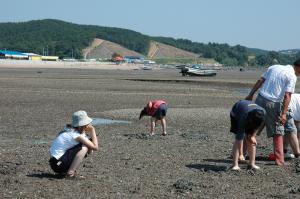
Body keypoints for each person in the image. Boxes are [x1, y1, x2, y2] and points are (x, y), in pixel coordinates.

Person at [245, 58, 300, 165]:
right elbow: (287, 95)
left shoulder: (274, 67)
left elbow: (260, 80)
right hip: (273, 103)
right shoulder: (292, 76)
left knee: (252, 127)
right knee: (278, 131)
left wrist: (251, 94)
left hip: (260, 98)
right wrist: (283, 114)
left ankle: (240, 154)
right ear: (298, 67)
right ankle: (279, 160)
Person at [49, 110, 99, 178]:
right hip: (59, 165)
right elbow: (95, 147)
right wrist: (93, 130)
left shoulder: (68, 130)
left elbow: (90, 151)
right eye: (86, 124)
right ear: (83, 125)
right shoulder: (76, 135)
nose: (88, 125)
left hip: (55, 164)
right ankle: (70, 173)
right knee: (84, 147)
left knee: (85, 146)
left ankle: (68, 171)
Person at [230, 100, 266, 170]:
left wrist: (252, 136)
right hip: (236, 112)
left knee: (251, 140)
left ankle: (252, 164)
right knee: (239, 139)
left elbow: (257, 127)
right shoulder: (244, 117)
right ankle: (235, 165)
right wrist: (241, 154)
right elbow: (239, 138)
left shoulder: (263, 113)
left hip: (248, 112)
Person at [283, 93, 300, 158]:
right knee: (291, 130)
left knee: (289, 130)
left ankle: (284, 151)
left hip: (288, 102)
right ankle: (297, 154)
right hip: (287, 104)